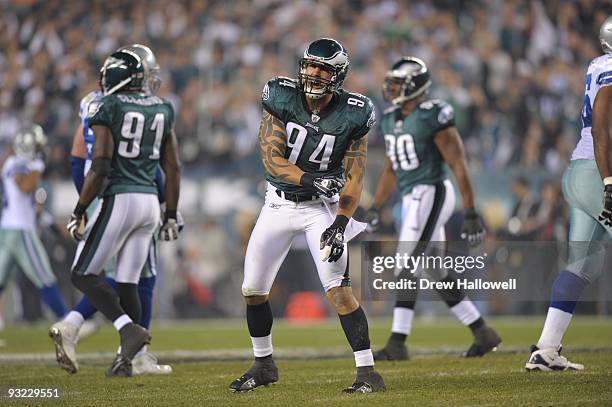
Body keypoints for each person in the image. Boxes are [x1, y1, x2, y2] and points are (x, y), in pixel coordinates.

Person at [229, 38, 385, 393]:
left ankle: (368, 373)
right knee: (253, 288)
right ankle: (264, 364)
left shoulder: (355, 112)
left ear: (338, 74)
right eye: (310, 64)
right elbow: (271, 161)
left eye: (323, 68)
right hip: (279, 203)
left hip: (321, 210)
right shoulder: (280, 95)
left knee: (338, 290)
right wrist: (312, 178)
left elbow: (355, 176)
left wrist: (341, 224)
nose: (313, 73)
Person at [365, 57, 501, 361]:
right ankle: (482, 332)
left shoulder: (432, 114)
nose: (391, 88)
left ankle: (398, 342)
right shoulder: (389, 120)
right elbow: (390, 169)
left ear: (415, 87)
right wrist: (376, 205)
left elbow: (458, 163)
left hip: (433, 191)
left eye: (397, 83)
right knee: (434, 270)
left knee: (405, 263)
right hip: (411, 196)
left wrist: (470, 211)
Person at [49, 44, 173, 376]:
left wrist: (83, 201)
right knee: (136, 277)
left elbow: (78, 157)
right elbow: (154, 162)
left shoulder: (93, 103)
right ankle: (130, 349)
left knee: (121, 278)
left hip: (101, 193)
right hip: (126, 192)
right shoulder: (144, 107)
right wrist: (167, 204)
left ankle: (109, 343)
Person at [525, 16, 612, 371]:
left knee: (583, 263)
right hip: (598, 171)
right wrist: (608, 182)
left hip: (582, 170)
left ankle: (546, 349)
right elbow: (603, 126)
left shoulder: (599, 64)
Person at [0, 125, 68, 322]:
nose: (41, 152)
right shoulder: (18, 164)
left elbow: (33, 208)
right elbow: (25, 186)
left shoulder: (16, 163)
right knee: (44, 275)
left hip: (8, 229)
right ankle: (67, 321)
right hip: (20, 230)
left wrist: (53, 225)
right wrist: (37, 168)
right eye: (37, 147)